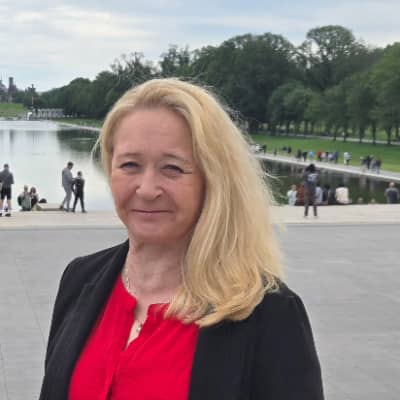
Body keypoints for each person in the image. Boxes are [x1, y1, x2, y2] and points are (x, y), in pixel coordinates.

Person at [39, 79, 324, 400]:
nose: (147, 189)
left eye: (172, 168)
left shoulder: (269, 314)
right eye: (130, 165)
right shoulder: (79, 279)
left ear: (213, 180)